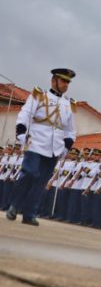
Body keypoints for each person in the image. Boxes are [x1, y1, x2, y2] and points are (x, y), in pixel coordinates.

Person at [6, 68, 77, 226]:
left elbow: (70, 130)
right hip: (35, 143)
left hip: (55, 148)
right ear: (53, 81)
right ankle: (14, 206)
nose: (66, 85)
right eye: (63, 81)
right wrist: (21, 133)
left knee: (41, 181)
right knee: (30, 173)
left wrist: (66, 146)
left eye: (68, 82)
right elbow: (25, 114)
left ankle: (29, 213)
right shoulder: (39, 95)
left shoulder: (69, 104)